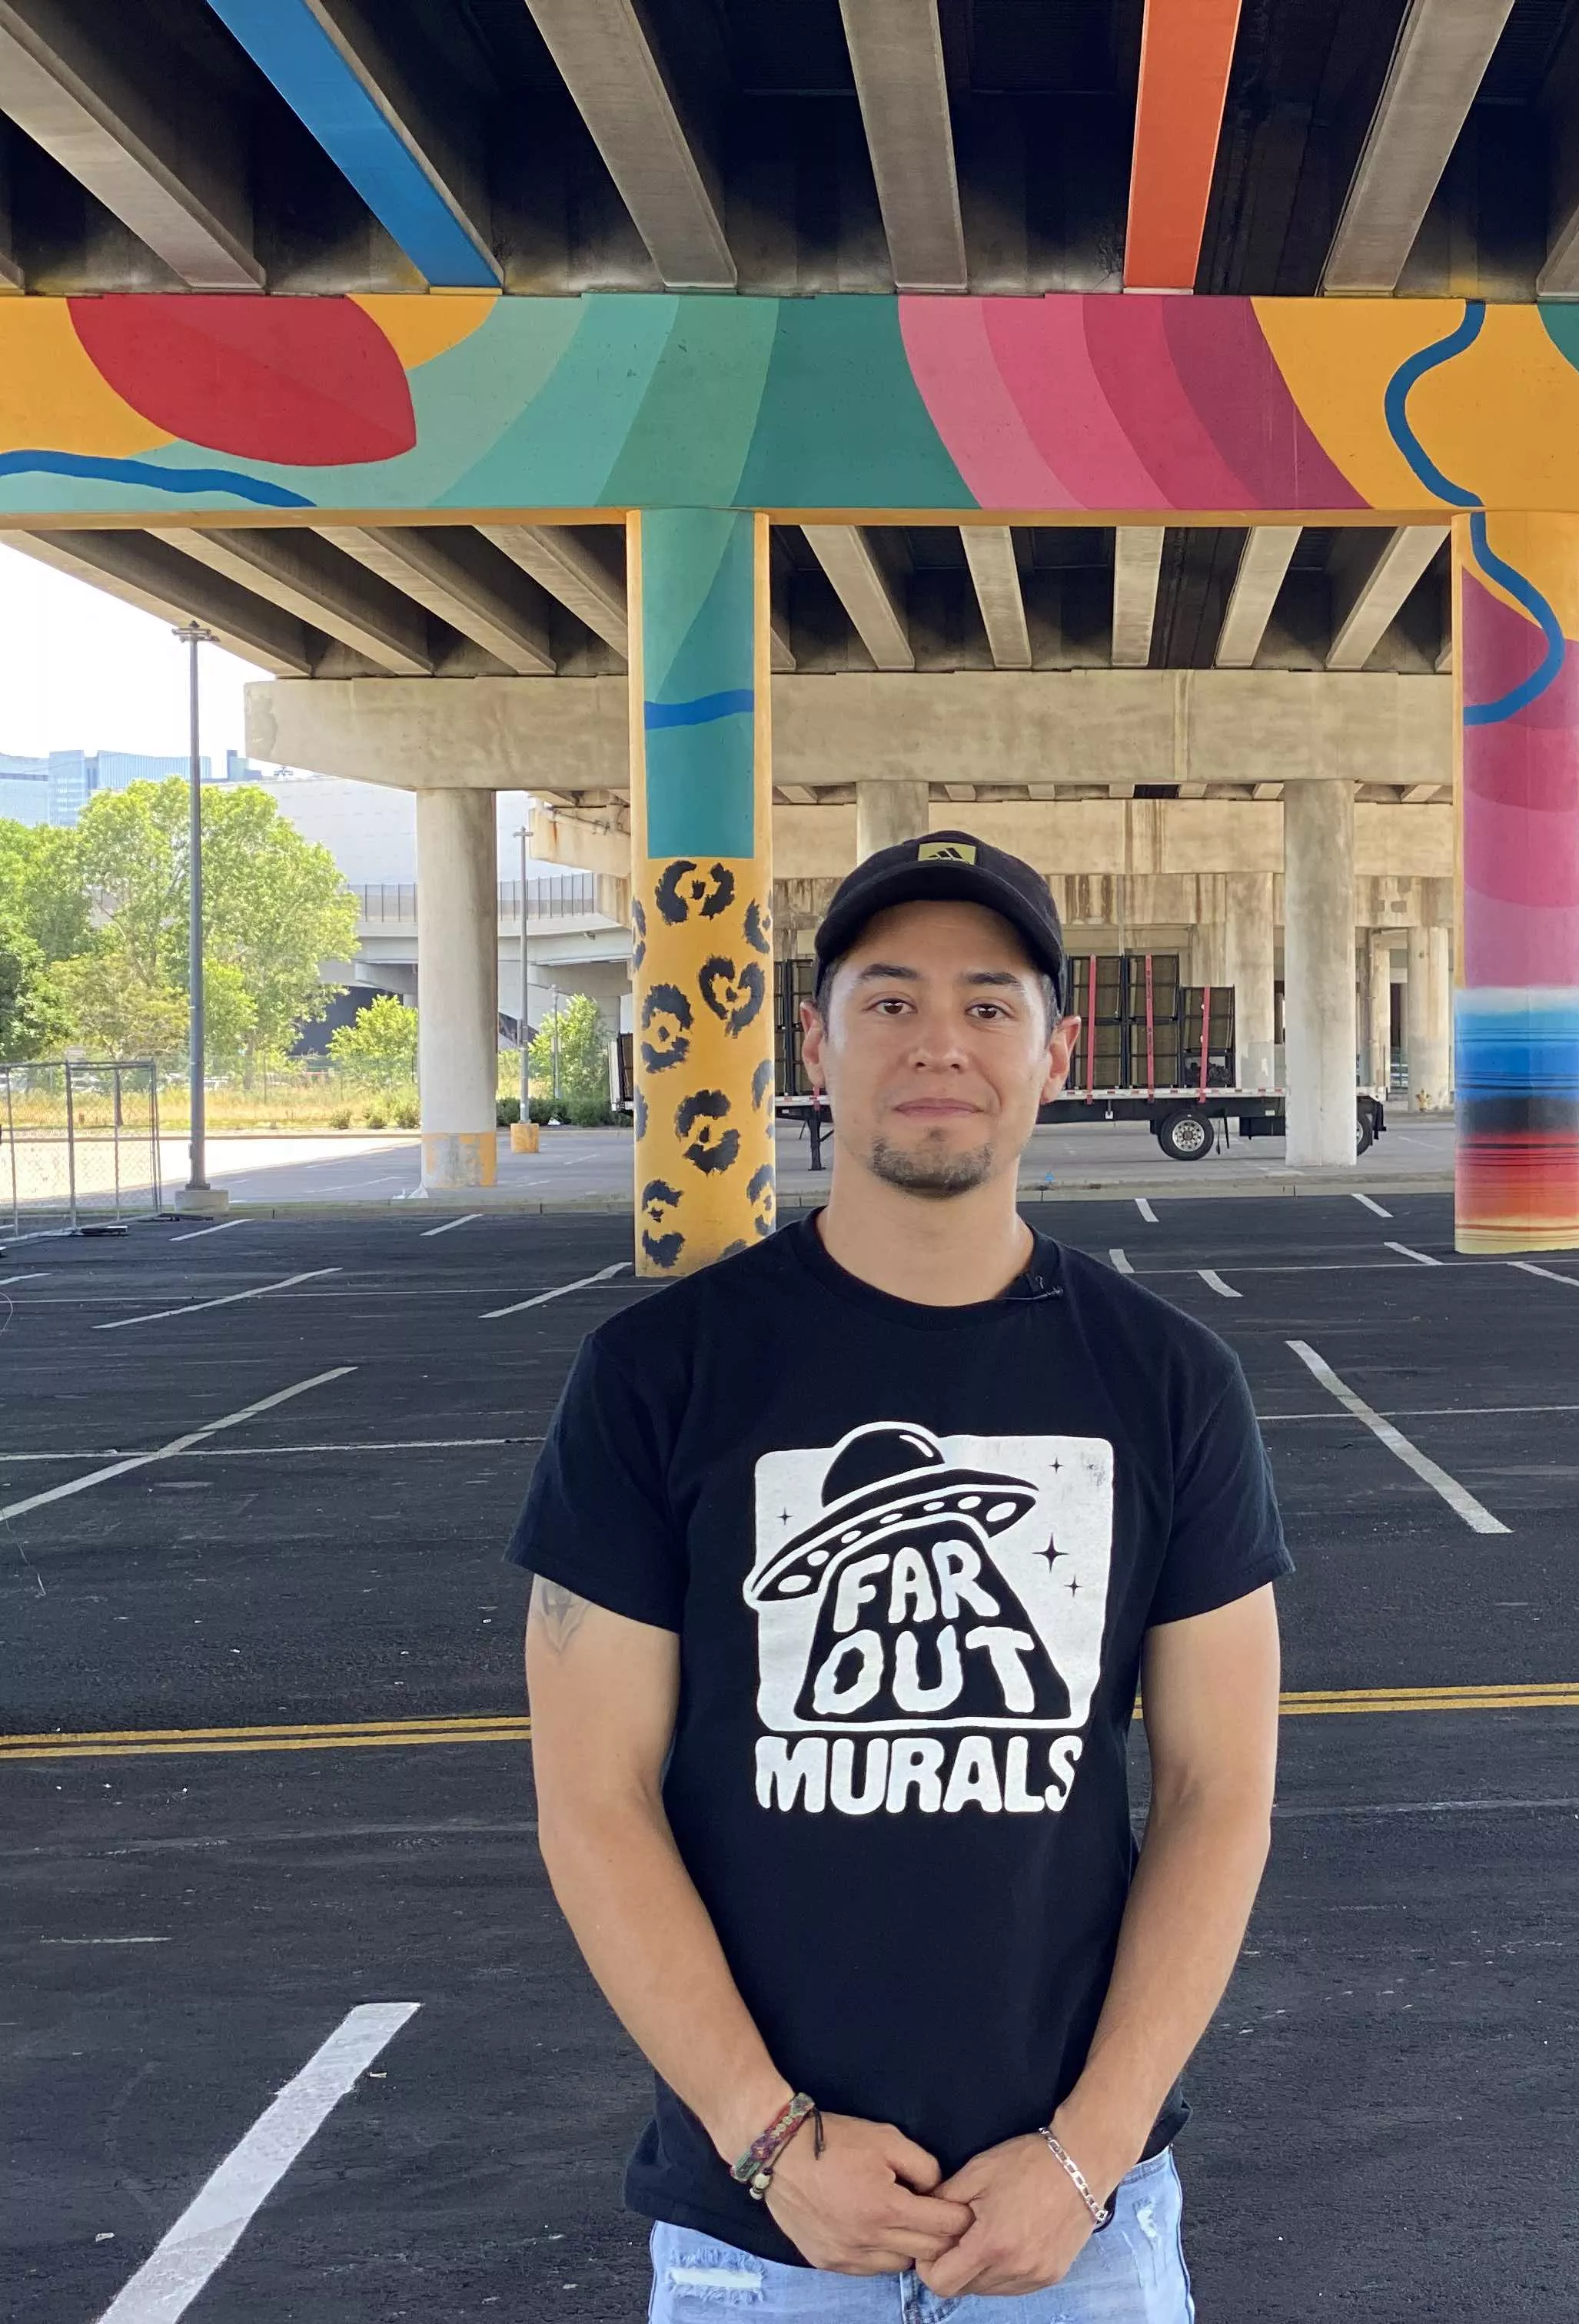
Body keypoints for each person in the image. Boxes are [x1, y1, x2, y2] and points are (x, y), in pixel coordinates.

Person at [513, 832, 1288, 2320]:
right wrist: (771, 2141)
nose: (943, 1042)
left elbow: (1218, 1791)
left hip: (1077, 2231)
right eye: (892, 1001)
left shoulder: (1171, 1385)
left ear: (1055, 1051)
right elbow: (588, 1799)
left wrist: (1087, 2155)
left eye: (991, 1004)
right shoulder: (657, 1380)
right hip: (762, 2238)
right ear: (814, 1040)